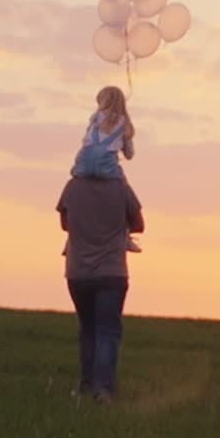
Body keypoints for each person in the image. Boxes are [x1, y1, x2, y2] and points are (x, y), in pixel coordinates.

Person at [57, 171, 145, 404]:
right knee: (107, 331)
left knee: (88, 329)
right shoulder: (121, 188)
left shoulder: (72, 187)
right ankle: (104, 390)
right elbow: (139, 225)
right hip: (112, 272)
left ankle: (86, 387)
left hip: (78, 272)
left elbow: (65, 224)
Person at [70, 85, 141, 251]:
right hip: (107, 167)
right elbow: (129, 154)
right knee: (124, 190)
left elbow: (86, 141)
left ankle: (71, 239)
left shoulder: (95, 117)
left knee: (72, 189)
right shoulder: (125, 123)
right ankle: (126, 236)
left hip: (83, 164)